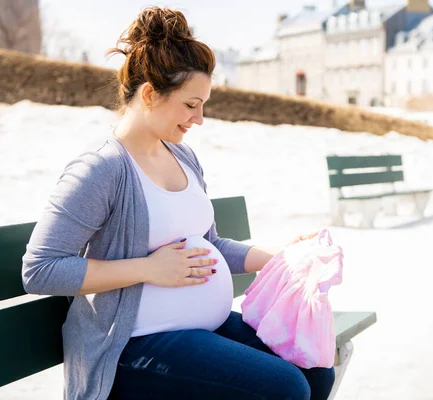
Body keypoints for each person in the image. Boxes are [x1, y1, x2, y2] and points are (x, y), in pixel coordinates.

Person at [21, 6, 335, 400]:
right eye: (191, 105)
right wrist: (148, 269)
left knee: (316, 372)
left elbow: (210, 245)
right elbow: (41, 270)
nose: (199, 118)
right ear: (151, 94)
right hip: (131, 348)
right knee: (285, 387)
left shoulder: (182, 156)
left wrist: (279, 257)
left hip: (198, 331)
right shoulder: (101, 170)